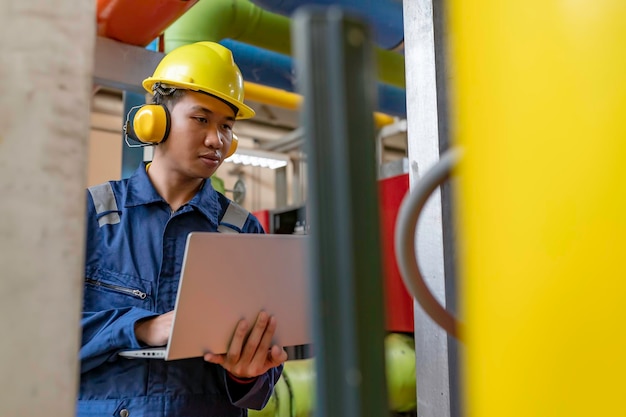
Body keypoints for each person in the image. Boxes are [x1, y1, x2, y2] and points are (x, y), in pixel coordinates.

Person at [78, 41, 287, 417]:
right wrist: (141, 328)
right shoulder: (89, 216)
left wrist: (248, 373)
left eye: (226, 126)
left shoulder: (243, 232)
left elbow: (262, 385)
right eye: (201, 118)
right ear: (154, 119)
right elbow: (31, 341)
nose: (217, 140)